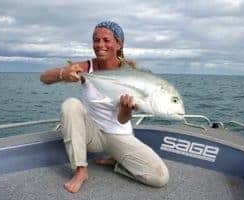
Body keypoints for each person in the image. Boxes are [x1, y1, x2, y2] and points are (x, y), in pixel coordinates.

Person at [40, 21, 169, 193]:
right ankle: (81, 169)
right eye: (96, 40)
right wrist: (64, 74)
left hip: (118, 136)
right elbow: (44, 77)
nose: (100, 45)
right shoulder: (88, 67)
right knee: (71, 105)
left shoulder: (131, 75)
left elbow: (122, 120)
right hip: (92, 136)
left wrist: (126, 108)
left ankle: (116, 161)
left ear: (119, 44)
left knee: (160, 177)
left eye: (106, 40)